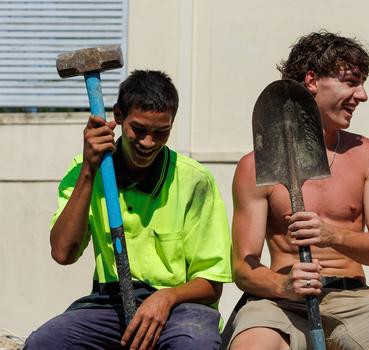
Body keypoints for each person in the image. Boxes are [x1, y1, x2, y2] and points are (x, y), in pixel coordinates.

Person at [228, 31, 369, 350]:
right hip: (280, 301)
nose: (362, 95)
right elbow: (242, 267)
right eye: (351, 82)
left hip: (355, 300)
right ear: (312, 80)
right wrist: (284, 285)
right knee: (253, 345)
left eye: (362, 84)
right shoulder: (255, 166)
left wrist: (332, 235)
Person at [25, 70, 233, 350]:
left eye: (161, 132)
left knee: (194, 344)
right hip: (108, 304)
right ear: (119, 116)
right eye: (139, 129)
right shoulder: (85, 170)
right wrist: (89, 170)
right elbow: (63, 253)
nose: (149, 142)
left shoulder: (195, 181)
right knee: (44, 343)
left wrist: (166, 298)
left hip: (181, 308)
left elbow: (212, 283)